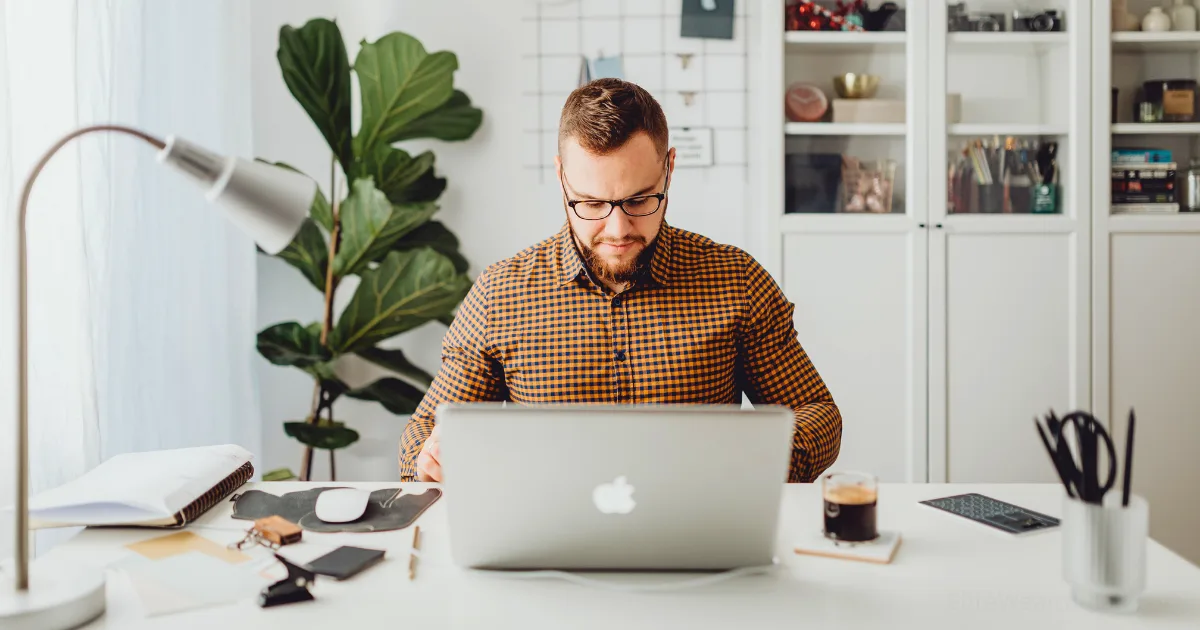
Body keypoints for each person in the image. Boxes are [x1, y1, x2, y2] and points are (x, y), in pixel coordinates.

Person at [398, 78, 841, 483]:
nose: (617, 230)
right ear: (561, 178)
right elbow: (424, 431)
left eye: (639, 200)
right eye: (590, 204)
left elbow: (818, 414)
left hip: (696, 538)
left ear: (669, 169)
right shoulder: (501, 293)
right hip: (547, 545)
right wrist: (429, 457)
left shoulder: (735, 280)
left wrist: (758, 458)